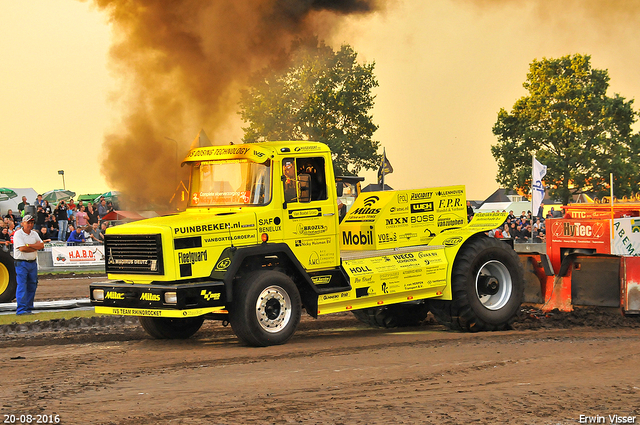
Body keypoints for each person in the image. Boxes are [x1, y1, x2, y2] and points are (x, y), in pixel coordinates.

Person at [13, 215, 44, 315]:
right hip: (21, 262)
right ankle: (22, 309)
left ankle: (28, 308)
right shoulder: (18, 234)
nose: (30, 225)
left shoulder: (34, 234)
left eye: (31, 223)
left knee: (32, 285)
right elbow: (22, 248)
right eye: (28, 223)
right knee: (22, 285)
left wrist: (29, 246)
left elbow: (42, 245)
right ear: (23, 223)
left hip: (32, 262)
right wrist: (35, 247)